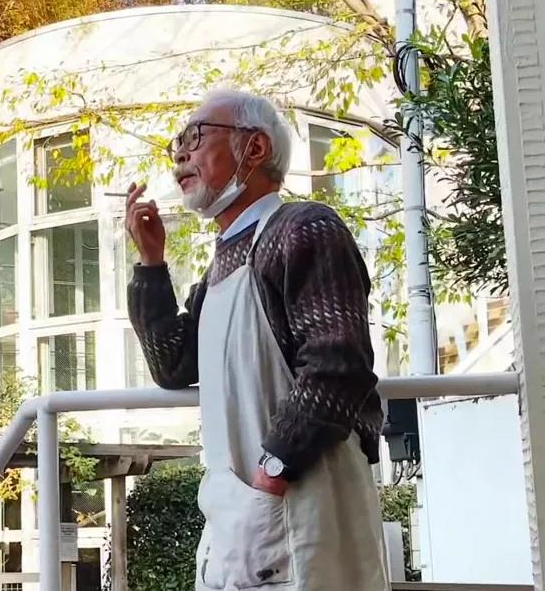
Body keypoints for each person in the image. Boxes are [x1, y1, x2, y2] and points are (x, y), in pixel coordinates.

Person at [126, 89, 390, 590]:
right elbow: (173, 364)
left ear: (255, 147)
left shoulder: (304, 228)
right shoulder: (221, 264)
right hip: (238, 511)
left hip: (302, 503)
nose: (180, 154)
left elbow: (338, 365)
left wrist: (272, 472)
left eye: (195, 136)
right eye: (177, 142)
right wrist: (151, 264)